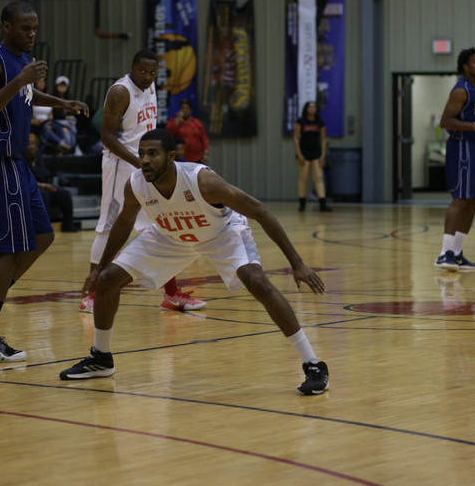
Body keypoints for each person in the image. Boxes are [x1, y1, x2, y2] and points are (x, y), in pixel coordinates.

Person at [60, 129, 330, 395]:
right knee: (109, 280)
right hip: (170, 235)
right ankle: (101, 358)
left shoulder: (203, 182)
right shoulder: (136, 184)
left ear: (171, 157)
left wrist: (297, 262)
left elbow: (260, 210)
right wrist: (101, 267)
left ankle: (313, 364)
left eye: (152, 154)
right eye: (141, 154)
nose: (144, 160)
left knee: (257, 281)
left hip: (221, 234)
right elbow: (124, 223)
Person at [0, 0, 87, 363]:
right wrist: (20, 80)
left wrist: (60, 103)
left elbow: (27, 95)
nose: (32, 33)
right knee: (10, 249)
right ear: (6, 26)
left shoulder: (21, 62)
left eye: (35, 28)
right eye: (25, 28)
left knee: (43, 235)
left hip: (18, 164)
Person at [80, 51, 206, 314]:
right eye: (143, 72)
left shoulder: (150, 89)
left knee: (161, 225)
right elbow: (106, 136)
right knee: (108, 227)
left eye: (152, 73)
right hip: (120, 164)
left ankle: (171, 295)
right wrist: (138, 160)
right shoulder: (120, 92)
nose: (147, 77)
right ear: (132, 68)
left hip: (144, 164)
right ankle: (90, 295)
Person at [434, 47, 475, 272]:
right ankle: (444, 254)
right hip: (461, 149)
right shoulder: (461, 90)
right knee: (460, 198)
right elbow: (445, 121)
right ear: (466, 66)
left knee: (474, 199)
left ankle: (457, 254)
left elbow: (473, 119)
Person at [26, 133, 80, 233]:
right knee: (43, 194)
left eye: (34, 144)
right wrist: (43, 185)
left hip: (44, 186)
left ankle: (67, 225)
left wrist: (46, 185)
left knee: (64, 194)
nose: (32, 147)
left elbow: (46, 173)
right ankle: (43, 228)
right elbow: (24, 180)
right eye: (29, 144)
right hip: (29, 189)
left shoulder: (39, 158)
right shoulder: (21, 160)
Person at [292, 101, 331, 212]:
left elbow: (323, 139)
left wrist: (323, 155)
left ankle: (323, 204)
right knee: (303, 178)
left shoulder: (320, 123)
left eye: (314, 107)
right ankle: (302, 204)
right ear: (306, 109)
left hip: (316, 154)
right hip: (304, 153)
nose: (312, 109)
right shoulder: (301, 122)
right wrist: (299, 154)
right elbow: (295, 138)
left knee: (318, 178)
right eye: (310, 107)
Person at [166, 98, 210, 164]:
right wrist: (178, 119)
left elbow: (204, 138)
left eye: (187, 108)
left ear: (191, 110)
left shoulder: (196, 122)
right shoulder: (174, 122)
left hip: (197, 158)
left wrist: (206, 153)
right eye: (183, 108)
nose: (184, 110)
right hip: (181, 159)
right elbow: (169, 134)